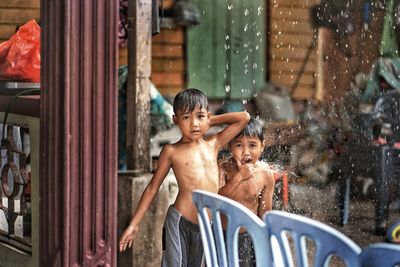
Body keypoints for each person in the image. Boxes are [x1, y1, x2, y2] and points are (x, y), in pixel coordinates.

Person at [119, 88, 250, 267]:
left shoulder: (214, 143)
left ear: (208, 117)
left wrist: (210, 121)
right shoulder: (171, 151)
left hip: (206, 224)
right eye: (187, 117)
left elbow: (244, 118)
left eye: (200, 117)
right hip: (180, 221)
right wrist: (134, 224)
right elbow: (152, 188)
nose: (194, 124)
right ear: (176, 120)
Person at [218, 118, 275, 267]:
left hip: (249, 237)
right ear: (229, 146)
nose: (245, 152)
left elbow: (265, 215)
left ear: (262, 146)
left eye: (252, 145)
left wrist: (267, 243)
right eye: (238, 145)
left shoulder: (265, 175)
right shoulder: (223, 169)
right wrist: (239, 178)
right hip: (222, 235)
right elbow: (216, 201)